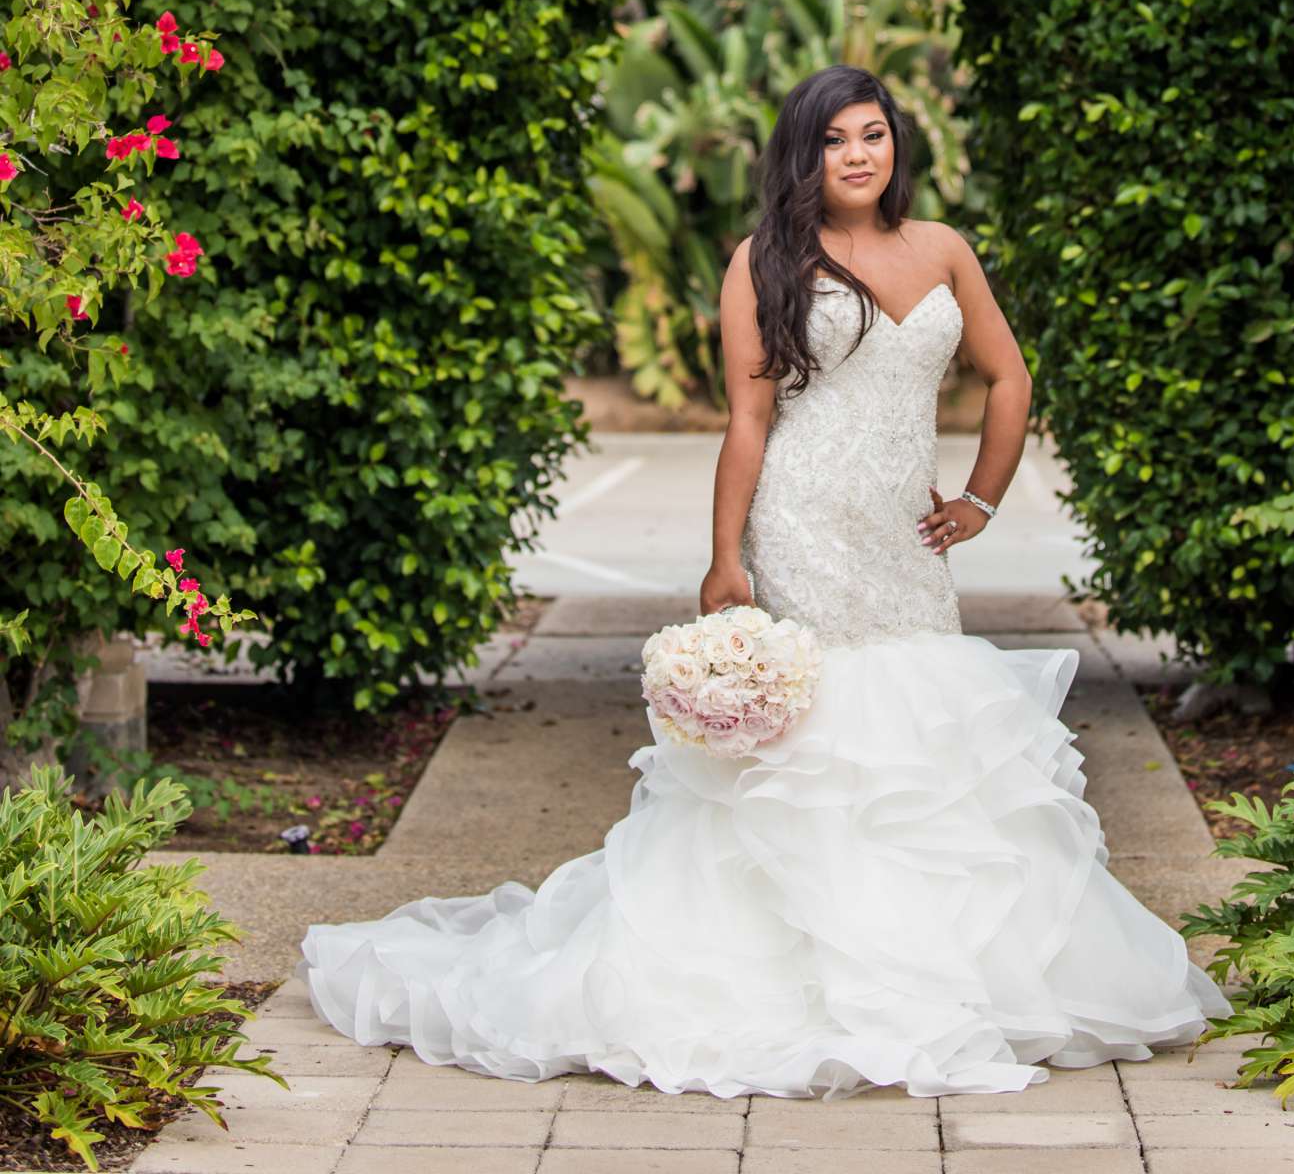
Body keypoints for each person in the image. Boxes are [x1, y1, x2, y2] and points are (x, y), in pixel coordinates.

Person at [299, 62, 1229, 1095]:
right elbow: (748, 421)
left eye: (874, 134)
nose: (860, 155)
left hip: (904, 542)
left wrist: (982, 499)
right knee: (818, 734)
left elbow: (1009, 377)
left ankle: (936, 975)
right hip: (800, 522)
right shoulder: (764, 261)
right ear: (805, 154)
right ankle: (795, 978)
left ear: (896, 147)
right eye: (836, 140)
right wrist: (725, 555)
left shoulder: (945, 252)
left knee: (917, 734)